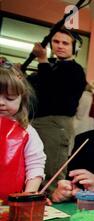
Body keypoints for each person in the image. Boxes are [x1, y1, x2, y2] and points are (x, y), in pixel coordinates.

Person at [27, 27, 87, 189]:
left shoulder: (75, 70)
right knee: (34, 165)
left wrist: (42, 60)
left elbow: (52, 89)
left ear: (75, 48)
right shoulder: (51, 66)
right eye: (56, 41)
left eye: (65, 43)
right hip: (35, 121)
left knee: (51, 169)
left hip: (55, 124)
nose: (60, 46)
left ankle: (52, 203)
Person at [0, 57, 46, 202]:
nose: (1, 102)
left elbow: (35, 164)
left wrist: (29, 195)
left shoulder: (27, 132)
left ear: (22, 100)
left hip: (11, 205)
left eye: (10, 98)